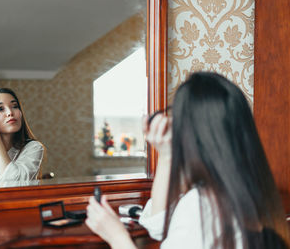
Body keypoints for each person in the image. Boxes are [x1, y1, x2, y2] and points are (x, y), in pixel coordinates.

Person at [85, 72, 290, 249]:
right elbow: (158, 226)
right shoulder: (249, 191)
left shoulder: (200, 206)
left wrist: (116, 237)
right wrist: (166, 154)